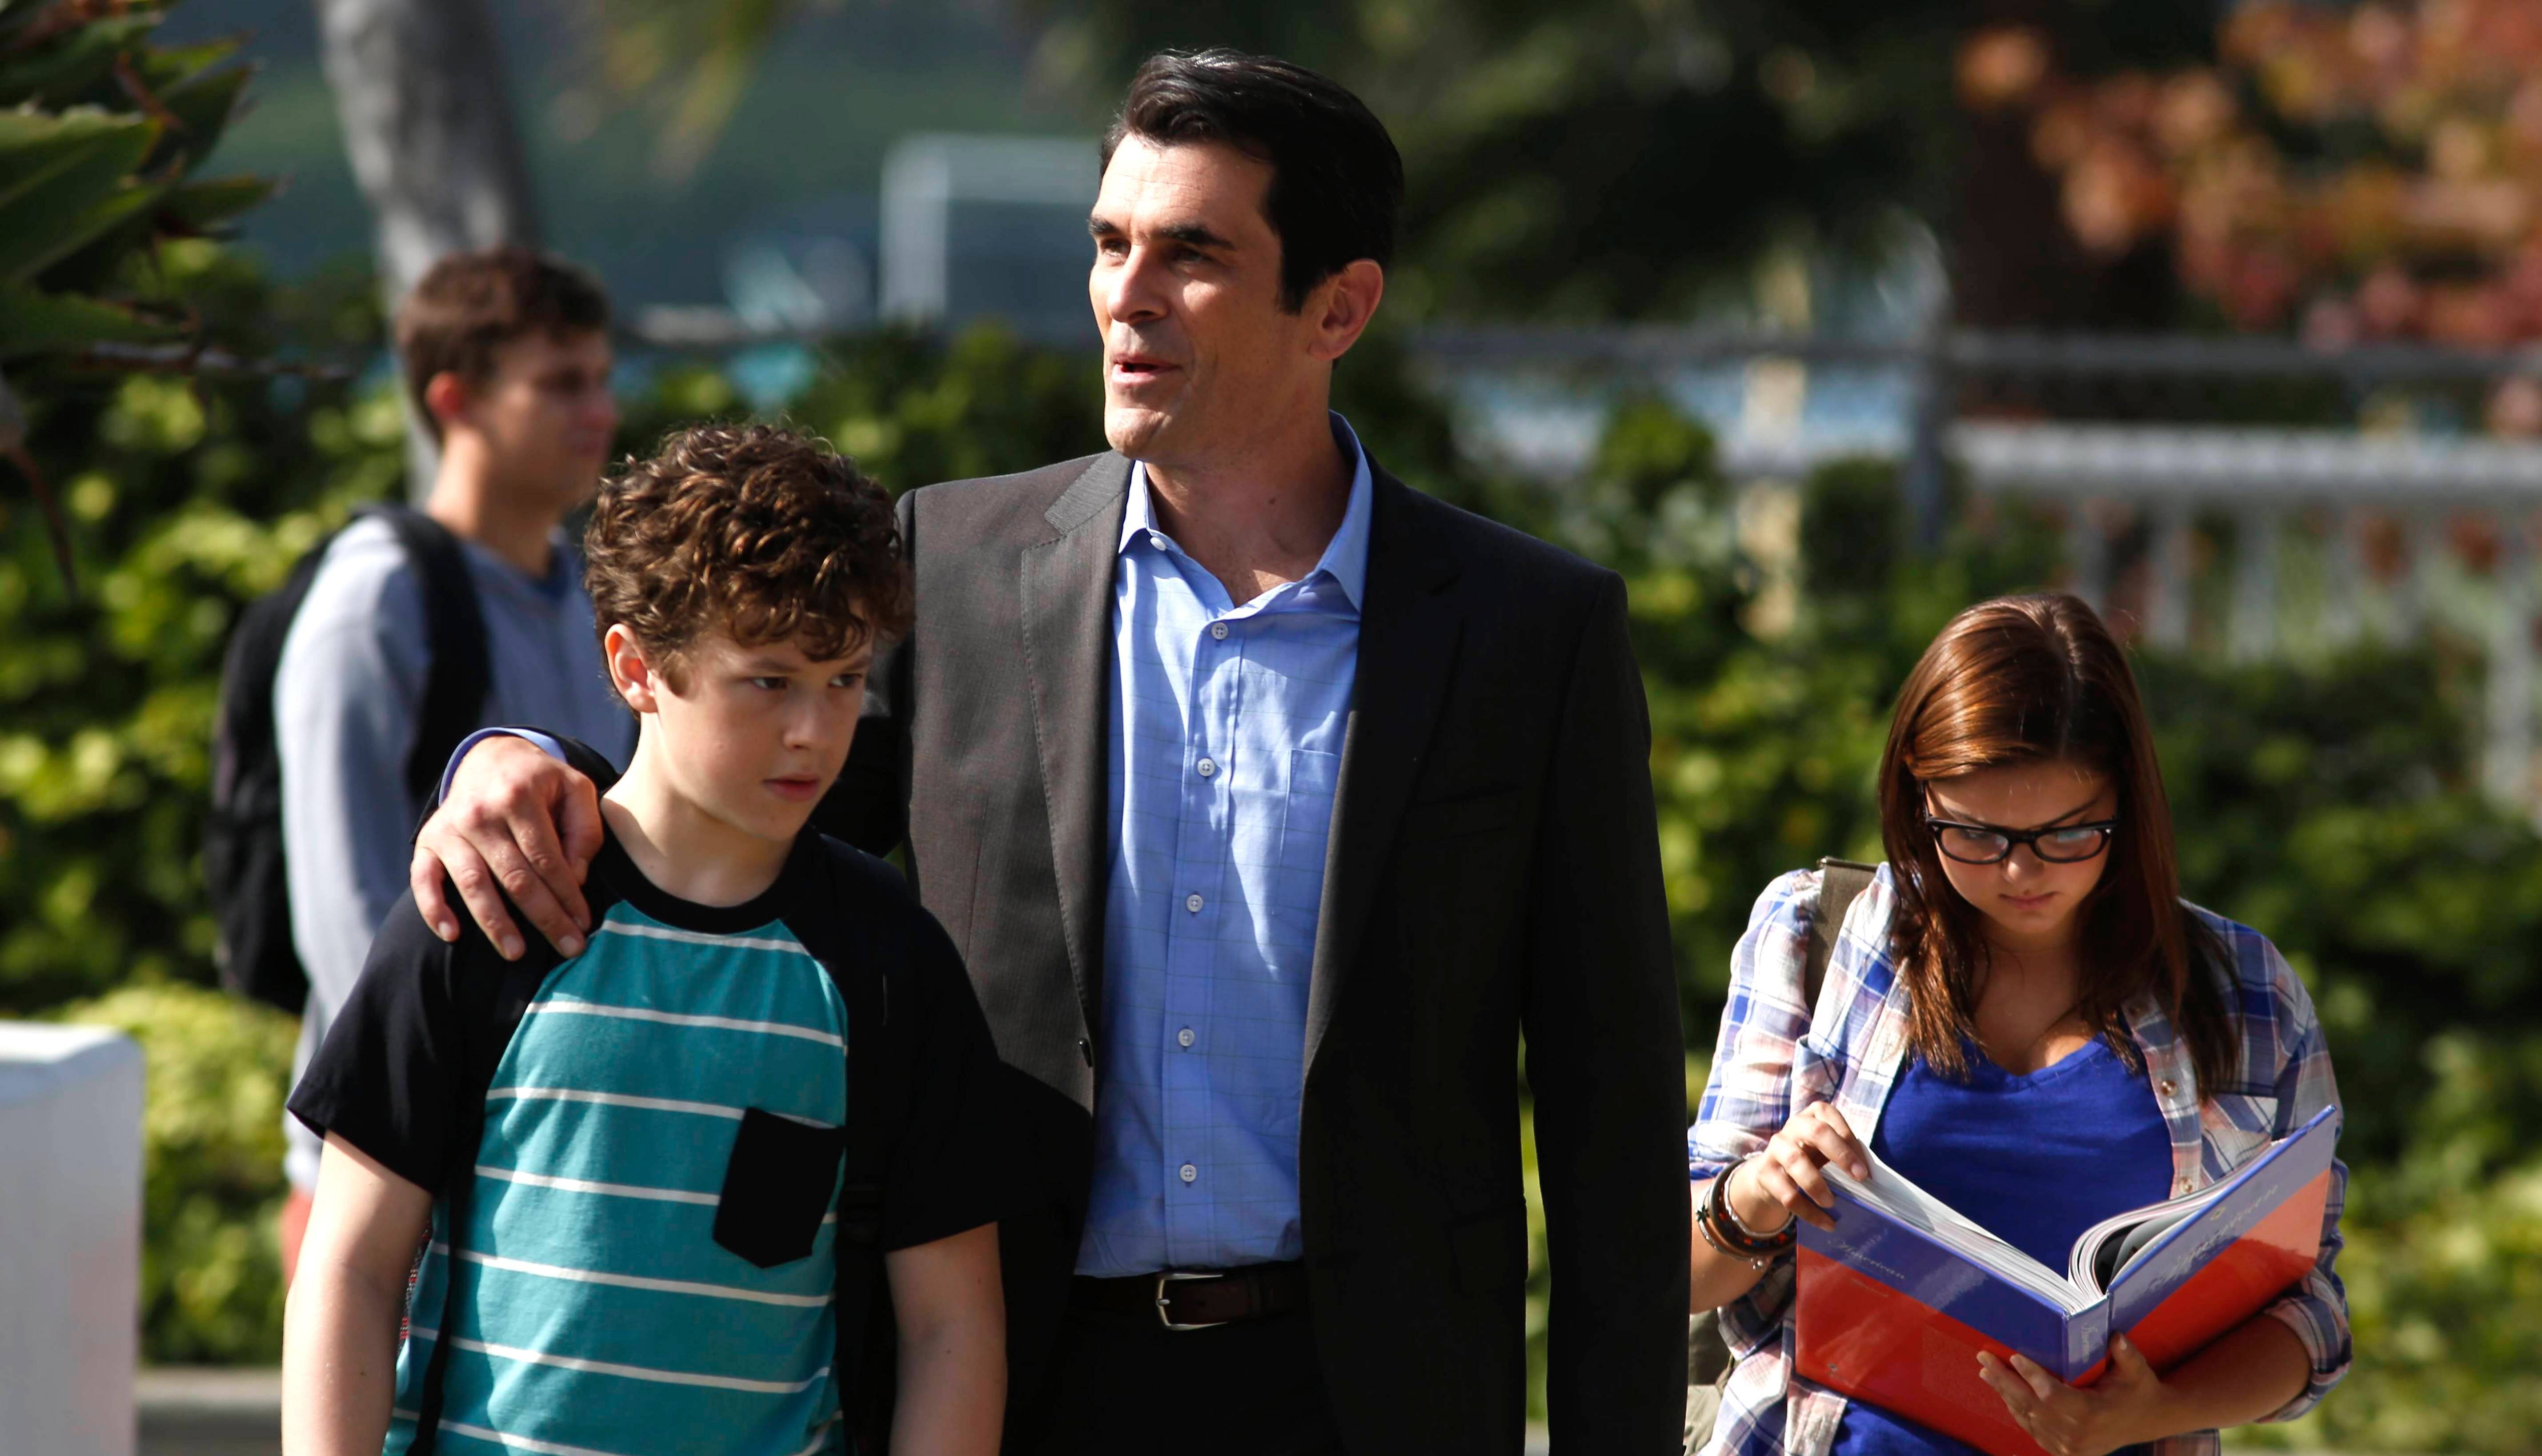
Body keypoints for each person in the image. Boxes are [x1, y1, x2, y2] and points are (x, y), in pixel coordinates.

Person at [410, 48, 1686, 1456]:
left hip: (1374, 1398)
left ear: (1339, 306)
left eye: (1191, 253)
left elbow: (1612, 1114)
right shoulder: (955, 560)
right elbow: (730, 811)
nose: (1126, 295)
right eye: (1110, 242)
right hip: (1009, 1375)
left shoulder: (1527, 629)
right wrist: (521, 759)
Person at [281, 423, 1008, 1456]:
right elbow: (351, 1268)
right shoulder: (489, 908)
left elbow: (952, 1326)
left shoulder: (890, 958)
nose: (813, 730)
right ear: (635, 666)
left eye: (844, 678)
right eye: (768, 680)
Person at [1684, 594, 2350, 1456]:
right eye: (1974, 835)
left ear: (2128, 805)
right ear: (1915, 800)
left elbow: (2308, 1312)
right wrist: (1757, 1196)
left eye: (2067, 835)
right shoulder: (1814, 933)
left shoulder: (2244, 991)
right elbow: (1674, 1279)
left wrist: (2150, 1412)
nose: (2018, 873)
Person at [273, 246, 638, 1277]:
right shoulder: (375, 599)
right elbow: (342, 910)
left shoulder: (592, 596)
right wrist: (418, 1129)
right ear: (454, 401)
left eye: (601, 378)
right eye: (559, 383)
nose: (599, 411)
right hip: (394, 1160)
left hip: (544, 1145)